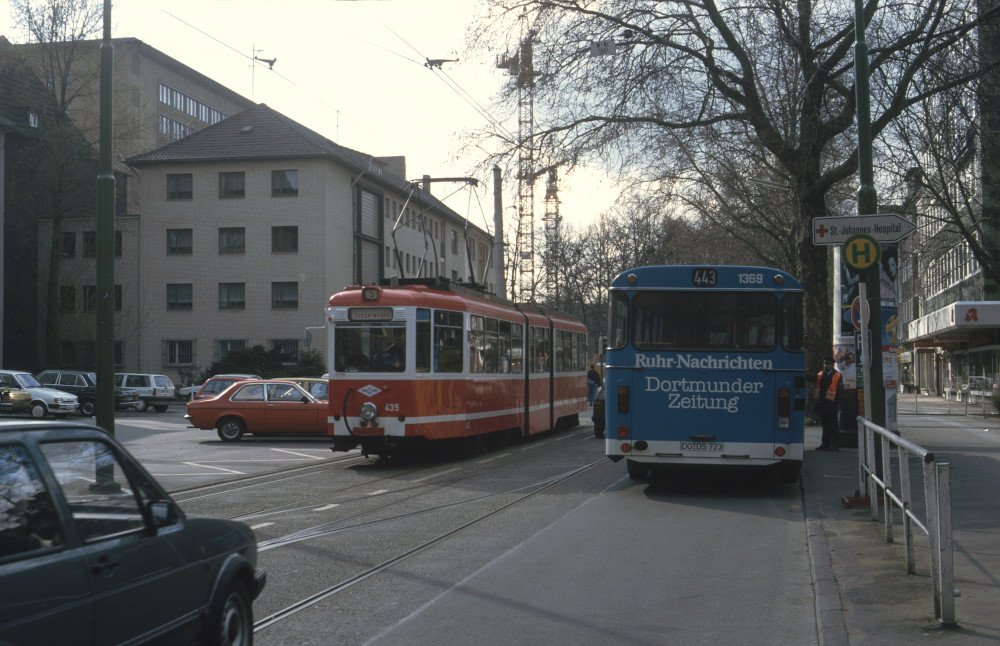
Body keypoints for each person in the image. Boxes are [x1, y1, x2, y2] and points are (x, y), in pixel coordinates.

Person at [815, 355, 843, 450]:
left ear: (832, 365)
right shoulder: (821, 374)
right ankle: (825, 444)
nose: (826, 365)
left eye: (828, 364)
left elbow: (839, 391)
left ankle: (834, 444)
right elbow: (814, 379)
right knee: (825, 425)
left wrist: (836, 403)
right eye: (825, 363)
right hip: (823, 404)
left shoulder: (837, 375)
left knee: (833, 425)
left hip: (832, 405)